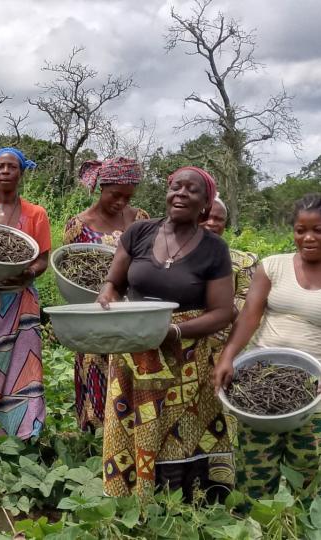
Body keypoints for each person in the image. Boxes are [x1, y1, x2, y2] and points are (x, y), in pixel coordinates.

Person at [213, 194, 321, 501]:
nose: (308, 237)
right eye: (300, 230)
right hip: (259, 382)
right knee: (253, 475)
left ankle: (306, 528)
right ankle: (253, 527)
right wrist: (228, 355)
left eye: (318, 230)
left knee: (311, 479)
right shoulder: (273, 267)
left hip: (315, 388)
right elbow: (249, 316)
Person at [95, 166, 236, 503]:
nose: (181, 193)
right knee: (131, 421)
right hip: (135, 349)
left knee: (180, 430)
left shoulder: (214, 249)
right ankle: (131, 499)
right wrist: (106, 300)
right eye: (176, 187)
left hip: (186, 355)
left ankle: (182, 501)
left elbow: (222, 312)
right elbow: (114, 283)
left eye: (192, 190)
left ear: (205, 204)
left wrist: (172, 331)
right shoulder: (139, 232)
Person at [0, 147, 52, 440]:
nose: (5, 172)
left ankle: (26, 432)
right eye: (0, 167)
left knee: (24, 365)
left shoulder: (35, 214)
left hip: (21, 298)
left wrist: (28, 272)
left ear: (21, 173)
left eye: (12, 167)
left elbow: (42, 259)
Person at [63, 157, 150, 432]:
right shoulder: (78, 225)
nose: (122, 202)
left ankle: (130, 436)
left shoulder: (141, 219)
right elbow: (71, 271)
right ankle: (96, 438)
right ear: (102, 187)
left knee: (131, 375)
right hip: (95, 313)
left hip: (132, 312)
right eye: (115, 195)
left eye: (128, 197)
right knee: (96, 370)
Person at [201, 196, 259, 320]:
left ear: (225, 224)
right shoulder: (171, 258)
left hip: (224, 336)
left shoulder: (244, 261)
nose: (211, 223)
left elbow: (247, 309)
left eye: (218, 219)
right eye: (206, 217)